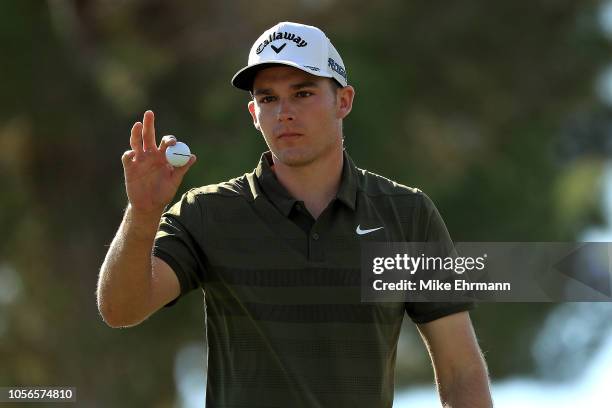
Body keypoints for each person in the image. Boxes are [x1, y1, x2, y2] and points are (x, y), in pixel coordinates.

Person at [97, 21, 493, 408]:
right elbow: (120, 309)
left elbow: (461, 371)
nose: (283, 112)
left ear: (344, 101)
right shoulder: (208, 212)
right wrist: (144, 212)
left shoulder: (406, 214)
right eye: (268, 98)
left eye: (302, 93)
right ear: (253, 113)